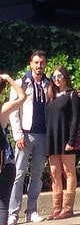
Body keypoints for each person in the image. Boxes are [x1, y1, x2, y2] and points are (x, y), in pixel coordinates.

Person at [7, 52, 49, 225]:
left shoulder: (49, 84)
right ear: (30, 64)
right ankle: (13, 213)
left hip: (43, 135)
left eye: (42, 63)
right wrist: (18, 134)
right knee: (18, 175)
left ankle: (31, 211)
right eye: (36, 62)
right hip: (25, 134)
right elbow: (13, 111)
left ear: (45, 64)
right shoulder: (20, 83)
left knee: (37, 175)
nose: (39, 65)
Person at [45, 67, 80, 220]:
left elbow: (75, 119)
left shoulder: (72, 94)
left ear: (65, 76)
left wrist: (71, 140)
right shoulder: (51, 96)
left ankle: (67, 208)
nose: (57, 79)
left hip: (65, 137)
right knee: (54, 173)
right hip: (52, 138)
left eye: (60, 76)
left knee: (69, 171)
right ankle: (56, 208)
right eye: (54, 77)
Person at [1, 73, 27, 225]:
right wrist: (9, 79)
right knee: (3, 206)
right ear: (3, 91)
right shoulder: (3, 109)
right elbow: (22, 96)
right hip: (5, 163)